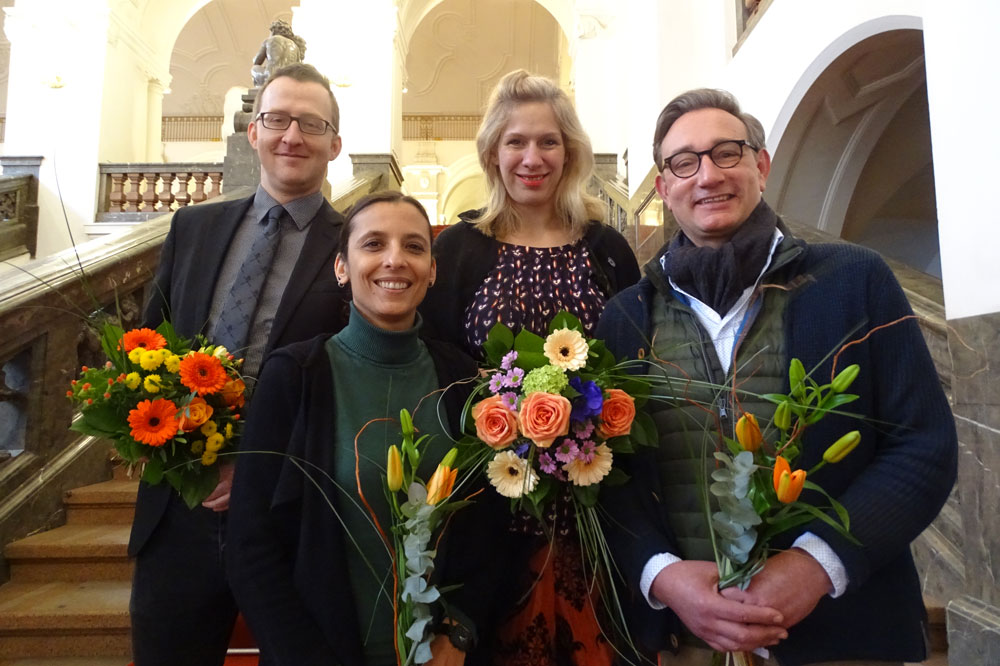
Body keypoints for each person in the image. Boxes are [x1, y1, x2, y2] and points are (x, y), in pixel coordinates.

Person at [596, 88, 957, 665]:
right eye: (684, 163)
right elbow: (614, 479)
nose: (707, 175)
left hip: (842, 631)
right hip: (685, 641)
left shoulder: (852, 281)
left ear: (761, 166)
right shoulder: (625, 317)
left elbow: (924, 445)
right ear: (663, 189)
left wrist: (819, 563)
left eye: (727, 153)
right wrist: (661, 576)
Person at [129, 62, 348, 666]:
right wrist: (174, 450)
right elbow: (148, 343)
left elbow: (345, 386)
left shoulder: (357, 245)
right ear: (253, 132)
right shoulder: (192, 228)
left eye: (311, 124)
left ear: (335, 142)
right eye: (276, 120)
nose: (291, 136)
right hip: (179, 510)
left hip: (288, 519)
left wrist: (252, 468)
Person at [420, 69, 640, 665]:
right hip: (489, 508)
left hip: (596, 504)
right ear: (493, 152)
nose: (532, 157)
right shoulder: (459, 249)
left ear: (570, 151)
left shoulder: (607, 248)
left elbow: (635, 363)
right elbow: (438, 366)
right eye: (516, 141)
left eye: (548, 141)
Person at [226, 191, 483, 665]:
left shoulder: (461, 379)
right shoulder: (296, 376)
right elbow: (250, 541)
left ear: (432, 269)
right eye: (373, 244)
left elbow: (491, 528)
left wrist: (461, 630)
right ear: (341, 268)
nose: (394, 260)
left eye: (413, 246)